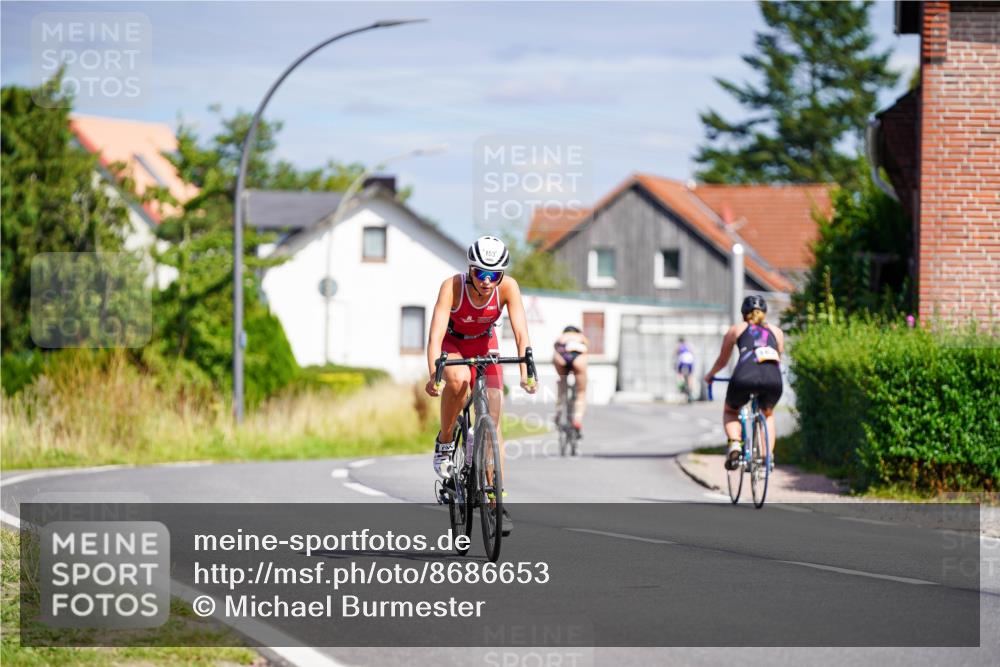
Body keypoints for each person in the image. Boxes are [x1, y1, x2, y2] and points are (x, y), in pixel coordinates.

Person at [425, 236, 536, 534]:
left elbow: (521, 333)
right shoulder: (452, 286)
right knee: (459, 381)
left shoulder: (508, 288)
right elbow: (435, 336)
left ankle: (492, 498)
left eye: (495, 275)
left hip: (486, 344)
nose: (488, 281)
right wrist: (434, 375)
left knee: (494, 422)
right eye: (481, 274)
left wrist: (528, 372)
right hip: (455, 344)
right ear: (470, 270)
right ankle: (446, 440)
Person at [703, 295, 784, 471]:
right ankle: (766, 457)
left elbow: (722, 361)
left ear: (743, 314)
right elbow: (779, 357)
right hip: (773, 377)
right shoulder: (777, 332)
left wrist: (710, 375)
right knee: (768, 414)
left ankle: (734, 444)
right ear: (764, 313)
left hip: (744, 376)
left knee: (731, 410)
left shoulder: (736, 329)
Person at [553, 325, 589, 434]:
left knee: (562, 382)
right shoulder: (581, 337)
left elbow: (555, 347)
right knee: (581, 392)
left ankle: (559, 412)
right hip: (578, 358)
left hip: (561, 356)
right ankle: (577, 421)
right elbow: (586, 350)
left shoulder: (561, 337)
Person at [676, 337, 696, 403]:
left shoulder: (679, 345)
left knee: (679, 373)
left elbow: (676, 353)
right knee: (690, 376)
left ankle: (681, 384)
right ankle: (690, 391)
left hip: (683, 361)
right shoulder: (689, 345)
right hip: (690, 360)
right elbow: (693, 352)